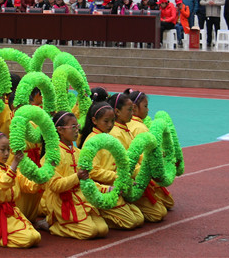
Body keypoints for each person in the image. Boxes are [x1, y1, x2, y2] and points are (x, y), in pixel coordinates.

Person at [78, 94, 144, 230]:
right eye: (106, 121)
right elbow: (93, 172)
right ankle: (98, 210)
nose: (110, 125)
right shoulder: (92, 141)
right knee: (131, 222)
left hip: (115, 185)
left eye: (112, 121)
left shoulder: (109, 138)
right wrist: (118, 178)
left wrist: (127, 178)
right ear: (94, 121)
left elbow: (122, 161)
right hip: (101, 188)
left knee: (139, 218)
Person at [41, 111, 108, 239]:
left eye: (77, 126)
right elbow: (55, 185)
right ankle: (54, 225)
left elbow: (88, 181)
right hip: (63, 202)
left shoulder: (79, 152)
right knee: (91, 232)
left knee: (103, 230)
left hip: (81, 199)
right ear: (60, 130)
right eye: (73, 127)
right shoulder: (52, 155)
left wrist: (108, 189)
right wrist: (77, 176)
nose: (77, 130)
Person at [106, 92, 166, 222]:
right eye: (129, 109)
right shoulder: (116, 134)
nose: (132, 112)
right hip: (124, 178)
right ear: (117, 112)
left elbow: (138, 156)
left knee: (164, 207)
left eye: (132, 109)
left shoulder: (125, 128)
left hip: (134, 174)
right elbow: (124, 163)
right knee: (155, 214)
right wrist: (145, 172)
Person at [0, 131, 41, 248]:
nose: (6, 153)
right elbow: (3, 183)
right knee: (28, 239)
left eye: (8, 149)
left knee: (36, 237)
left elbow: (27, 185)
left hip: (12, 211)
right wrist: (14, 164)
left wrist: (42, 180)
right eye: (2, 150)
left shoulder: (8, 168)